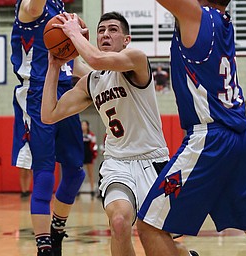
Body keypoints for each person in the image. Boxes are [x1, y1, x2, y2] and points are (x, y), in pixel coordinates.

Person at [136, 1, 246, 256]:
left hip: (210, 139)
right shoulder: (222, 22)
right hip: (237, 135)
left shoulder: (198, 17)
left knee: (149, 226)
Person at [41, 11, 197, 256]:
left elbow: (94, 59)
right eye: (101, 30)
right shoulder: (91, 82)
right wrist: (54, 65)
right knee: (119, 222)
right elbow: (48, 114)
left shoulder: (136, 59)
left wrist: (72, 33)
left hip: (152, 162)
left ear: (126, 39)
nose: (105, 34)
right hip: (117, 164)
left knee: (158, 243)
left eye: (113, 30)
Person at [10, 1, 91, 256]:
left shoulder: (60, 8)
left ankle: (56, 233)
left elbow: (74, 64)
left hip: (65, 88)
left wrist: (107, 76)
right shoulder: (30, 7)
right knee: (44, 175)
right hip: (35, 93)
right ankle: (44, 248)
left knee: (75, 172)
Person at [81, 120, 98, 198]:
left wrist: (94, 155)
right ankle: (78, 190)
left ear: (87, 126)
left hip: (89, 155)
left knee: (90, 173)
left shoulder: (91, 135)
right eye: (82, 125)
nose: (83, 126)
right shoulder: (78, 134)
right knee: (80, 174)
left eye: (85, 125)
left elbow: (93, 146)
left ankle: (92, 190)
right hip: (81, 156)